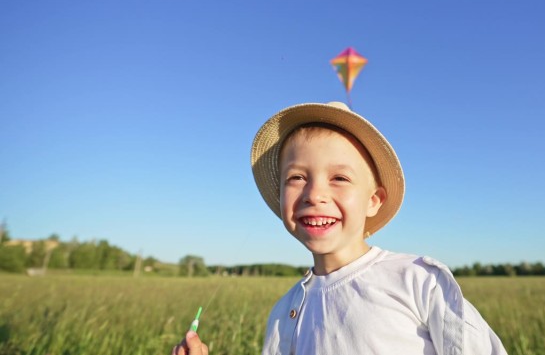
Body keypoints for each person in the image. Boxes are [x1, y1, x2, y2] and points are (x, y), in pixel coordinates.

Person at [173, 101, 507, 355]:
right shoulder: (282, 313)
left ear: (373, 200)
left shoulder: (418, 281)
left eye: (340, 178)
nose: (315, 194)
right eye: (297, 177)